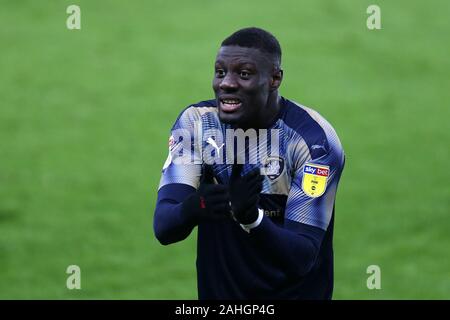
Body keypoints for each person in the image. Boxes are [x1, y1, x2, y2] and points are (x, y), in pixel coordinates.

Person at [153, 27, 345, 299]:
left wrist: (251, 218)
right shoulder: (196, 124)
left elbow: (302, 256)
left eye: (244, 74)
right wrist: (197, 206)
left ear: (275, 78)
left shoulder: (312, 142)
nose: (226, 83)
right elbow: (164, 227)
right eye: (220, 72)